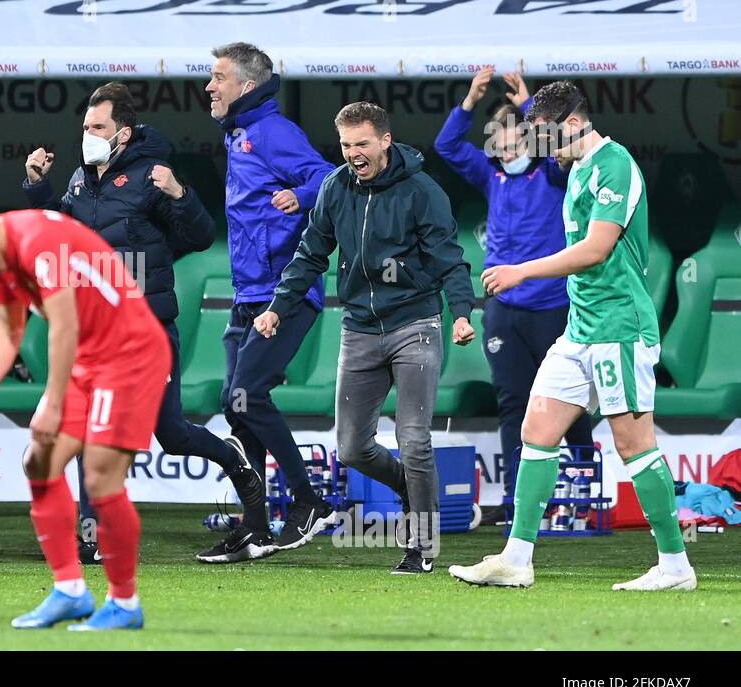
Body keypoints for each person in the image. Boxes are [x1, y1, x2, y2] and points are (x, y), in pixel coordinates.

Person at [450, 81, 695, 591]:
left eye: (547, 135)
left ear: (576, 124)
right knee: (536, 431)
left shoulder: (615, 164)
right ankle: (516, 559)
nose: (541, 147)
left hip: (619, 328)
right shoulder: (576, 165)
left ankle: (675, 565)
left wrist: (521, 271)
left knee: (634, 445)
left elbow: (596, 249)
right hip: (580, 329)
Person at [22, 82, 263, 565]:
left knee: (171, 435)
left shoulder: (153, 177)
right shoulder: (78, 180)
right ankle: (91, 540)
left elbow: (200, 235)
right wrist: (38, 190)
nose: (87, 135)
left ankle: (236, 461)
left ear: (123, 133)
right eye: (86, 126)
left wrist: (181, 193)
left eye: (97, 127)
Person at [256, 102, 477, 574]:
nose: (353, 153)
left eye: (362, 143)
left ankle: (422, 545)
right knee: (352, 449)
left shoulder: (423, 191)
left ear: (385, 141)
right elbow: (309, 255)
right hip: (358, 329)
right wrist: (277, 307)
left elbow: (449, 259)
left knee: (413, 439)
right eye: (345, 145)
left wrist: (461, 312)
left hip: (415, 325)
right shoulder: (335, 188)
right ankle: (411, 488)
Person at [0, 210, 170, 631]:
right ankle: (71, 591)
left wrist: (52, 402)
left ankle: (125, 603)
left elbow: (65, 325)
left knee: (99, 478)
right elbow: (8, 329)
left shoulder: (37, 241)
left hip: (129, 356)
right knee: (39, 462)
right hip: (88, 358)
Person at [204, 42, 337, 561]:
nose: (209, 86)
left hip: (283, 294)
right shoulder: (240, 133)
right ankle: (255, 525)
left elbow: (329, 175)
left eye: (218, 77)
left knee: (247, 397)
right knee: (236, 408)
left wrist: (300, 197)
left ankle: (308, 501)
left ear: (246, 86)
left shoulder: (274, 132)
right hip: (248, 293)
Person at [435, 68, 593, 503]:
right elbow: (445, 146)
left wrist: (529, 105)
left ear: (532, 141)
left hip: (552, 305)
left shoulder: (553, 174)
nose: (507, 153)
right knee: (512, 402)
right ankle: (516, 495)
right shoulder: (492, 176)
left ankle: (584, 487)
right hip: (504, 307)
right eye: (499, 147)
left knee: (570, 401)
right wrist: (469, 101)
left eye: (515, 144)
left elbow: (565, 145)